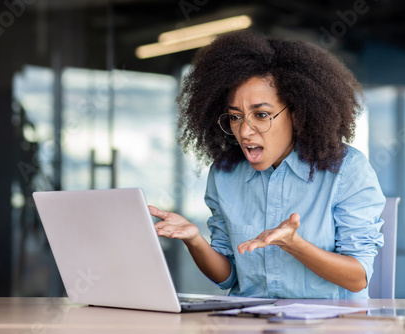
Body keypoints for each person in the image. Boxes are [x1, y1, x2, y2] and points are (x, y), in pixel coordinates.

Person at [149, 31, 385, 299]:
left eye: (261, 115)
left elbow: (357, 278)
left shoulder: (346, 170)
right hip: (249, 322)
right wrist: (194, 240)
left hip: (328, 324)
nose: (244, 131)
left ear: (297, 113)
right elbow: (228, 278)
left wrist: (294, 244)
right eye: (236, 117)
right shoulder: (225, 174)